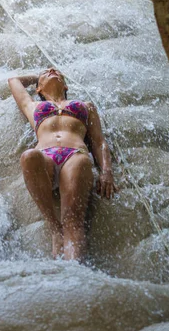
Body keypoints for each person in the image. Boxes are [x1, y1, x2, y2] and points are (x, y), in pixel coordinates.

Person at [8, 67, 116, 261]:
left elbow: (99, 141)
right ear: (38, 89)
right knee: (29, 156)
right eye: (47, 72)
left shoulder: (86, 106)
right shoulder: (32, 106)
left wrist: (106, 171)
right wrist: (37, 78)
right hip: (45, 158)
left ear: (66, 85)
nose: (51, 70)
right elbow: (13, 81)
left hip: (75, 155)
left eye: (56, 71)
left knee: (74, 222)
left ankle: (75, 271)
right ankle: (53, 228)